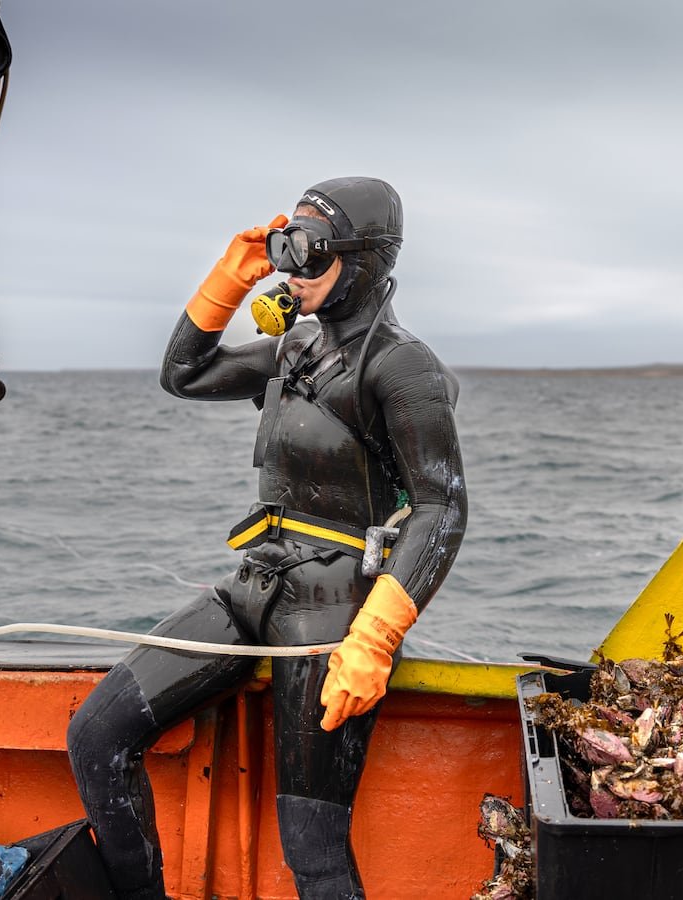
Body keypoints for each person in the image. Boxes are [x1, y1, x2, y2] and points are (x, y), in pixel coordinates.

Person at [66, 176, 468, 900]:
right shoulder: (296, 351)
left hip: (335, 607)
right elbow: (182, 375)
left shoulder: (402, 367)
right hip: (258, 583)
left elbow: (443, 506)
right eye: (286, 248)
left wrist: (373, 639)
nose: (291, 269)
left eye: (309, 253)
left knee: (311, 847)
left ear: (366, 260)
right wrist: (226, 279)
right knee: (96, 736)